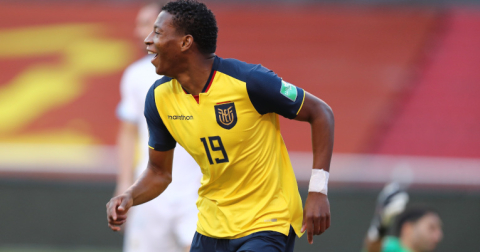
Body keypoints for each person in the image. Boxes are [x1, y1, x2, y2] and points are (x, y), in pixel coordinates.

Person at [107, 0, 335, 251]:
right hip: (210, 227)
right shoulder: (158, 98)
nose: (148, 40)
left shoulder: (249, 81)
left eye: (158, 32)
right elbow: (159, 173)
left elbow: (321, 112)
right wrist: (129, 196)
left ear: (185, 42)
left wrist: (317, 190)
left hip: (267, 221)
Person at [115, 1, 201, 252]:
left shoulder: (203, 74)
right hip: (151, 189)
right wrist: (124, 184)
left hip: (197, 191)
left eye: (145, 24)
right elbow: (128, 132)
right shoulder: (135, 75)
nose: (139, 33)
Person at [363, 183, 443, 252]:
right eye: (431, 228)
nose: (438, 236)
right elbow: (373, 248)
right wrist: (382, 225)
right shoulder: (390, 247)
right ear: (408, 228)